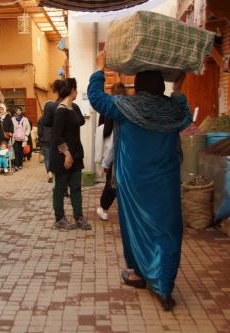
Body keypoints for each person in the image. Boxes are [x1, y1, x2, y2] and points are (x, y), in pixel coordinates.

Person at [87, 51, 192, 311]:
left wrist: (100, 69)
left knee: (136, 228)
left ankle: (139, 274)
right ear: (160, 86)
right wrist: (178, 89)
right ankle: (165, 286)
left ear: (138, 87)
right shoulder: (172, 110)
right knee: (167, 230)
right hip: (166, 181)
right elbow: (187, 116)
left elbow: (97, 99)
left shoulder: (126, 107)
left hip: (135, 183)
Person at [50, 78, 91, 231]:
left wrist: (72, 106)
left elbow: (80, 121)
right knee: (60, 189)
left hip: (76, 155)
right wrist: (66, 154)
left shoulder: (72, 108)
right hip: (63, 157)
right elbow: (57, 136)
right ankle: (59, 219)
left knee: (76, 188)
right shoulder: (60, 110)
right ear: (72, 90)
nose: (77, 91)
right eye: (76, 88)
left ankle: (79, 218)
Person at [96, 83, 127, 221]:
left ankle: (103, 208)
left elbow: (110, 134)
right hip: (131, 156)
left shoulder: (111, 109)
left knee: (112, 183)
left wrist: (105, 163)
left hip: (117, 154)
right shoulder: (131, 109)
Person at [37, 112, 53, 182]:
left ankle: (49, 173)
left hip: (45, 140)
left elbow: (39, 132)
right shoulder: (54, 117)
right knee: (54, 157)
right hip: (54, 140)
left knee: (47, 158)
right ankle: (54, 172)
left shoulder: (41, 119)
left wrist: (40, 140)